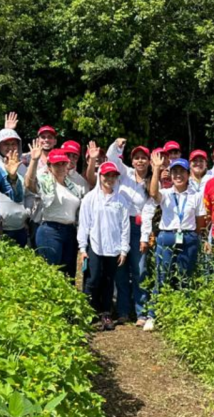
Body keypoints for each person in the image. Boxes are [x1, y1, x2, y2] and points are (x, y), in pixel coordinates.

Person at [144, 152, 206, 331]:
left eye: (182, 172)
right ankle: (153, 315)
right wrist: (156, 169)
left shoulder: (195, 195)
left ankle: (182, 314)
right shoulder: (165, 193)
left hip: (188, 237)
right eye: (175, 172)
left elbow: (200, 220)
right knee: (162, 276)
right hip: (167, 236)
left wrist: (194, 236)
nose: (178, 176)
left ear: (188, 175)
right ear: (170, 175)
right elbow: (153, 193)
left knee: (185, 278)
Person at [78, 162, 134, 331]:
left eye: (113, 176)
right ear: (99, 176)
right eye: (106, 175)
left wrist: (124, 249)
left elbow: (125, 226)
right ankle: (88, 311)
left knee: (109, 281)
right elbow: (84, 224)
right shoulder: (90, 198)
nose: (109, 179)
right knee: (93, 279)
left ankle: (106, 313)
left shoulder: (121, 200)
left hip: (113, 247)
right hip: (95, 245)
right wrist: (82, 248)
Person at [102, 139, 152, 325]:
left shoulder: (151, 181)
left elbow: (148, 210)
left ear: (148, 161)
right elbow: (111, 157)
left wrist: (145, 236)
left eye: (143, 158)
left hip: (138, 227)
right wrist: (116, 144)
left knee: (139, 269)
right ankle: (123, 310)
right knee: (120, 268)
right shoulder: (124, 174)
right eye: (136, 158)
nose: (140, 161)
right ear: (132, 161)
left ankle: (141, 312)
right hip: (118, 225)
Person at [27, 145, 83, 278]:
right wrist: (34, 161)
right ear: (49, 166)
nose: (61, 167)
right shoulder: (45, 182)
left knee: (69, 274)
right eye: (56, 164)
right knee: (51, 273)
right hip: (50, 230)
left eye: (63, 163)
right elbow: (29, 184)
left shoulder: (73, 187)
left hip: (70, 231)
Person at [0, 126, 32, 246]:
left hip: (20, 227)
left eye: (14, 144)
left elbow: (27, 194)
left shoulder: (22, 166)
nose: (10, 147)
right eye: (6, 144)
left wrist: (27, 214)